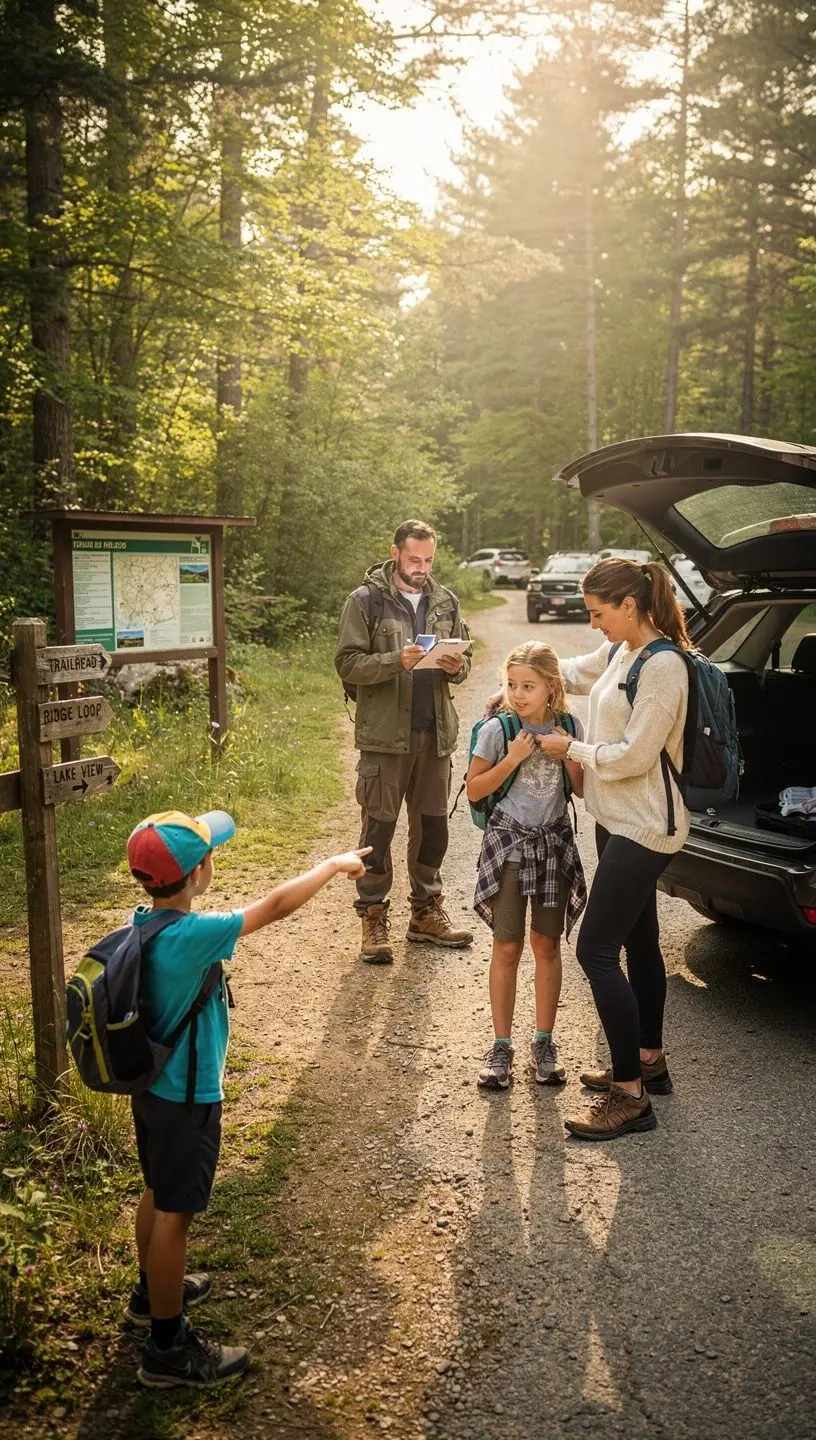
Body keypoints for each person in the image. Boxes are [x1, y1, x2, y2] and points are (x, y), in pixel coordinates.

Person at [124, 808, 368, 1386]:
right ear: (200, 870)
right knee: (175, 1216)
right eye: (211, 854)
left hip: (153, 1093)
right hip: (188, 1097)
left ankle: (149, 1292)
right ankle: (167, 1347)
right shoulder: (193, 936)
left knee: (158, 1193)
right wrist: (332, 865)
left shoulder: (145, 922)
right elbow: (277, 905)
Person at [534, 557, 691, 1141]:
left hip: (646, 827)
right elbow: (573, 672)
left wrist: (569, 750)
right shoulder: (621, 653)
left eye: (599, 613)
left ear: (631, 606)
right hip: (617, 819)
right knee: (639, 942)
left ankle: (631, 1096)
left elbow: (632, 755)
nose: (594, 624)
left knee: (595, 951)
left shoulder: (663, 667)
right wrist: (527, 668)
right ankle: (649, 1059)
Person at [335, 519, 474, 964]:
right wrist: (396, 661)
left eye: (428, 559)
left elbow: (466, 660)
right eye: (414, 559)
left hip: (435, 736)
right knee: (378, 829)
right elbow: (347, 664)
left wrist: (456, 667)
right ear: (394, 552)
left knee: (433, 828)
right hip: (384, 739)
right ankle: (373, 917)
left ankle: (426, 913)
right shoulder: (366, 601)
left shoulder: (445, 601)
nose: (421, 567)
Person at [467, 643, 586, 1091]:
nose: (518, 694)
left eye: (529, 686)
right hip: (510, 846)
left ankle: (543, 1042)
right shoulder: (499, 731)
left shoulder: (569, 726)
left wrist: (569, 753)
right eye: (513, 684)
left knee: (547, 945)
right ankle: (501, 1046)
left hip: (553, 844)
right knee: (507, 947)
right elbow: (475, 790)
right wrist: (513, 760)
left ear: (552, 688)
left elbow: (580, 788)